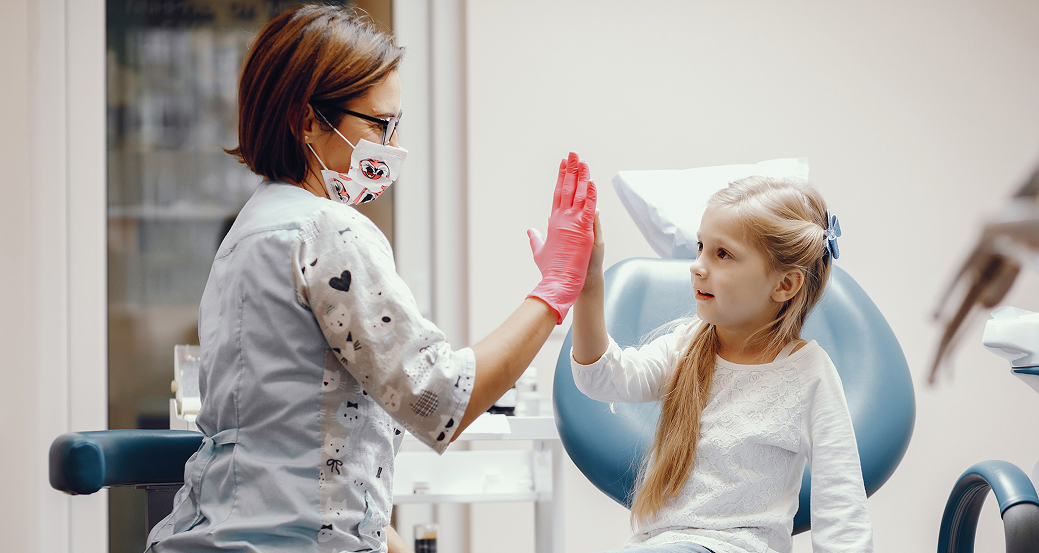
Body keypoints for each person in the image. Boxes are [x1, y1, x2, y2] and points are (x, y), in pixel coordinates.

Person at [145, 5, 596, 553]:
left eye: (396, 125)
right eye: (378, 125)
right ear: (307, 121)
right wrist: (554, 289)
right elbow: (439, 401)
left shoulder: (248, 232)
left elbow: (299, 444)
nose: (392, 147)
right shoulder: (329, 231)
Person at [571, 176, 872, 553]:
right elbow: (601, 378)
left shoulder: (808, 373)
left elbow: (842, 508)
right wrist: (588, 287)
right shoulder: (687, 346)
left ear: (785, 284)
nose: (697, 267)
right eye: (701, 247)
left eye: (723, 254)